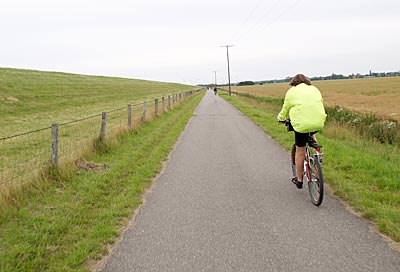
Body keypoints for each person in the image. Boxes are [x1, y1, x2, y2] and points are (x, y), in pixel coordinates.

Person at [277, 74, 327, 189]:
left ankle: (299, 180)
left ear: (293, 83)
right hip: (318, 122)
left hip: (301, 125)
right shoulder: (314, 89)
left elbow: (285, 109)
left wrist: (280, 119)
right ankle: (317, 153)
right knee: (311, 131)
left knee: (300, 151)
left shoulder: (291, 92)